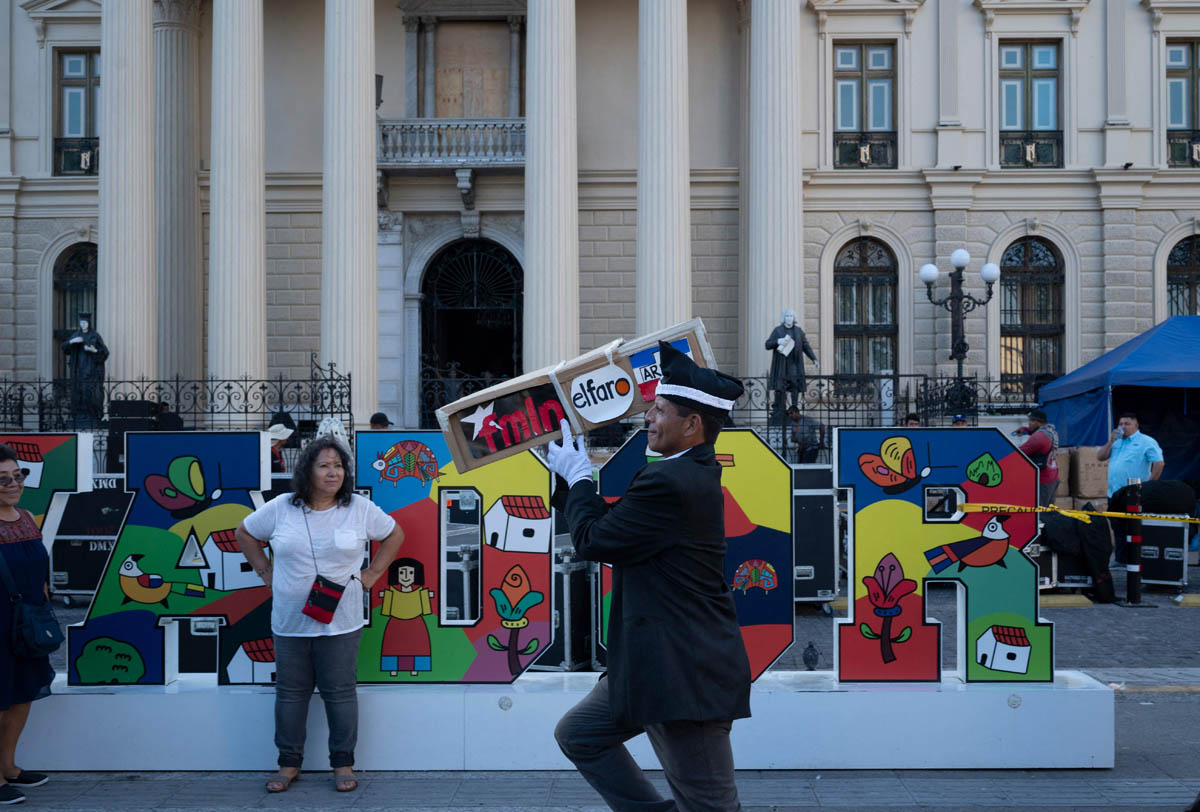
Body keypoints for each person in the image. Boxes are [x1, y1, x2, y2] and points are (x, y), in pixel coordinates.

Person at [546, 340, 751, 812]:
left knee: (710, 806)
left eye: (659, 410)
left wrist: (579, 480)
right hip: (648, 666)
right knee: (580, 735)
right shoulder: (683, 473)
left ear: (692, 424)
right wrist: (569, 481)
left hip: (683, 674)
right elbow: (615, 531)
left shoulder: (671, 481)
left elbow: (596, 540)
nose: (648, 418)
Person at [235, 436, 406, 794]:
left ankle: (343, 763)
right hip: (290, 620)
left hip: (341, 621)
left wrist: (372, 574)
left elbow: (394, 535)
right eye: (324, 465)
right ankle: (288, 764)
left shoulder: (358, 508)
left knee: (340, 693)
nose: (333, 473)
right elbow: (245, 533)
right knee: (290, 694)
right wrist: (265, 572)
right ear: (307, 470)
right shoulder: (282, 507)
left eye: (339, 466)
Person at [0, 444, 53, 806]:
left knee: (22, 696)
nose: (13, 483)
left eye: (17, 476)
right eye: (3, 479)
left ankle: (9, 766)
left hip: (27, 624)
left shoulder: (26, 517)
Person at [378, 557, 434, 677]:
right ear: (396, 575)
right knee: (393, 647)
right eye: (402, 572)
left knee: (417, 646)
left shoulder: (420, 592)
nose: (406, 576)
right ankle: (393, 669)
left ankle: (415, 669)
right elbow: (386, 611)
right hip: (395, 624)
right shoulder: (391, 593)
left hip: (416, 624)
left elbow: (426, 610)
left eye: (410, 572)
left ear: (416, 575)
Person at [1097, 412, 1164, 497]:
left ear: (1136, 426)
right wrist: (1111, 442)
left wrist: (1148, 486)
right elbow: (1100, 457)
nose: (1123, 427)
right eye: (1120, 424)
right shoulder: (1116, 441)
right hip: (1113, 494)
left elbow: (1159, 464)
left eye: (1127, 424)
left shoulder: (1146, 441)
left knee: (1132, 510)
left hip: (1134, 494)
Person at [764, 308, 817, 412]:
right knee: (780, 387)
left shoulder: (799, 331)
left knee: (795, 385)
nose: (789, 318)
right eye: (787, 316)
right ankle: (779, 409)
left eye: (791, 316)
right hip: (781, 364)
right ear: (784, 318)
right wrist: (778, 341)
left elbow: (806, 346)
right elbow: (768, 344)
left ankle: (794, 409)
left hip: (795, 363)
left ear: (794, 318)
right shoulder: (778, 330)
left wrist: (814, 359)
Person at [60, 312, 108, 425]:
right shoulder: (76, 335)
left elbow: (105, 352)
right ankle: (79, 415)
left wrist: (94, 351)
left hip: (92, 371)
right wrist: (72, 342)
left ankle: (93, 415)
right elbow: (64, 348)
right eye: (81, 323)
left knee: (91, 392)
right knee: (78, 392)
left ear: (89, 323)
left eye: (85, 323)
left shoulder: (95, 336)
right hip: (78, 370)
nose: (83, 325)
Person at [1014, 409, 1060, 506]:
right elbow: (1037, 434)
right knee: (1049, 510)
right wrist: (1025, 430)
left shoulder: (1039, 438)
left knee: (1041, 513)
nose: (1029, 423)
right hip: (1053, 476)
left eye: (1031, 421)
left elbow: (1018, 453)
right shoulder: (1051, 431)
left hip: (1043, 480)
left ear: (1038, 422)